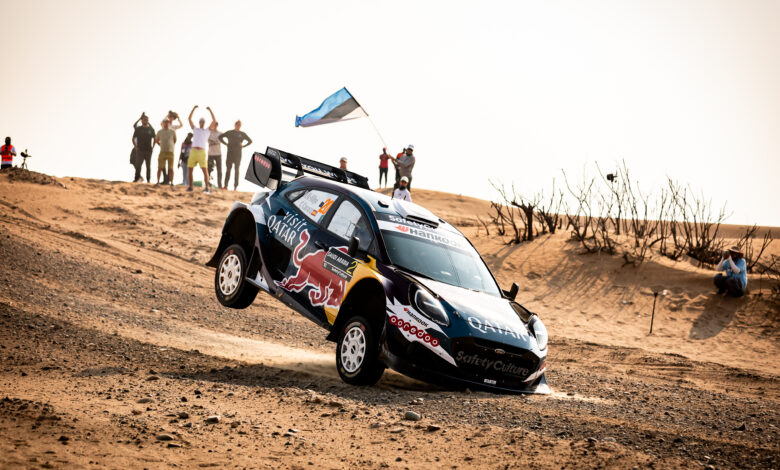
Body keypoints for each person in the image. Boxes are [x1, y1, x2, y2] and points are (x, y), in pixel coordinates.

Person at [219, 120, 252, 191]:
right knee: (228, 169)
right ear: (235, 125)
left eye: (239, 125)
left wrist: (243, 146)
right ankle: (225, 186)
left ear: (240, 126)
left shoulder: (242, 134)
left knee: (237, 170)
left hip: (238, 154)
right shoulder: (230, 132)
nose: (238, 126)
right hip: (230, 154)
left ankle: (235, 187)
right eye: (237, 124)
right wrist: (225, 143)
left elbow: (250, 141)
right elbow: (220, 137)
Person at [187, 105, 213, 194]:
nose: (202, 122)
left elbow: (214, 121)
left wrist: (210, 110)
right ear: (199, 122)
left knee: (205, 170)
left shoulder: (207, 130)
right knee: (190, 169)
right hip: (193, 151)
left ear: (204, 122)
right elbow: (189, 119)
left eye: (203, 121)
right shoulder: (195, 129)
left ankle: (207, 187)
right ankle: (190, 187)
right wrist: (193, 109)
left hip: (202, 152)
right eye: (200, 121)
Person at [132, 113, 156, 182]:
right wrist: (136, 146)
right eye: (144, 119)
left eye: (147, 120)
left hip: (148, 150)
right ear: (141, 120)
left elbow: (155, 138)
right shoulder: (138, 129)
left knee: (148, 166)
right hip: (140, 150)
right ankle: (136, 179)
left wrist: (153, 147)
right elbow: (133, 138)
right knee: (138, 165)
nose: (146, 121)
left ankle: (148, 180)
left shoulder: (151, 129)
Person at [155, 118, 177, 186]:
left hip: (170, 152)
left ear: (169, 124)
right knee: (160, 167)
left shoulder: (172, 131)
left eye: (167, 122)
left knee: (171, 168)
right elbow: (156, 140)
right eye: (165, 122)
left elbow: (175, 140)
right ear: (162, 123)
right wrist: (160, 145)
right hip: (162, 151)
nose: (166, 123)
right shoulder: (159, 132)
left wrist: (171, 145)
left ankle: (171, 182)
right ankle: (158, 181)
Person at [208, 115, 223, 190]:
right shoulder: (209, 133)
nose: (214, 126)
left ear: (217, 125)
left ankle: (220, 185)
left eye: (215, 125)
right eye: (213, 125)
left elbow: (220, 141)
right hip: (210, 154)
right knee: (209, 169)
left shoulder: (220, 133)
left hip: (218, 153)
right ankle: (208, 183)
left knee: (219, 170)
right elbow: (208, 141)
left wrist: (213, 141)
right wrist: (215, 142)